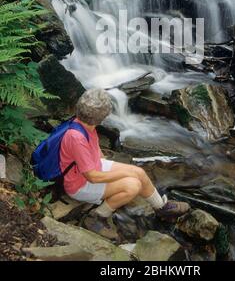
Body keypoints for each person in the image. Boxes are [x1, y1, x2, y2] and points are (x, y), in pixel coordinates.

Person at [60, 89, 190, 232]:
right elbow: (93, 177)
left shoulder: (84, 122)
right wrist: (122, 175)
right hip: (80, 185)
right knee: (133, 185)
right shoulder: (76, 138)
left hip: (94, 167)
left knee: (139, 172)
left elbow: (95, 148)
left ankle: (161, 207)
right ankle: (99, 215)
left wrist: (107, 164)